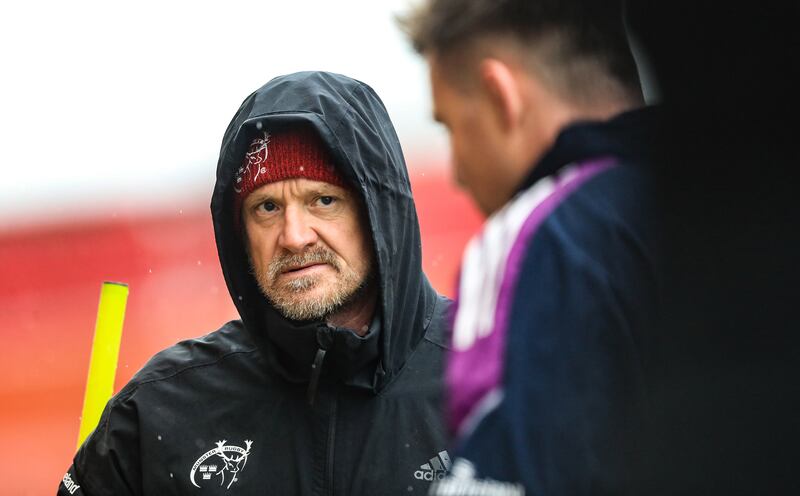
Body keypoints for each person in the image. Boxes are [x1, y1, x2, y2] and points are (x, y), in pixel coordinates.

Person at [58, 71, 452, 495]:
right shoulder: (160, 410)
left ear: (378, 214)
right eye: (267, 207)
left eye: (323, 201)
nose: (295, 235)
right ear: (239, 234)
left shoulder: (495, 377)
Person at [400, 1, 664, 494]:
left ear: (501, 96)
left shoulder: (534, 242)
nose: (456, 171)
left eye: (451, 125)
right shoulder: (743, 195)